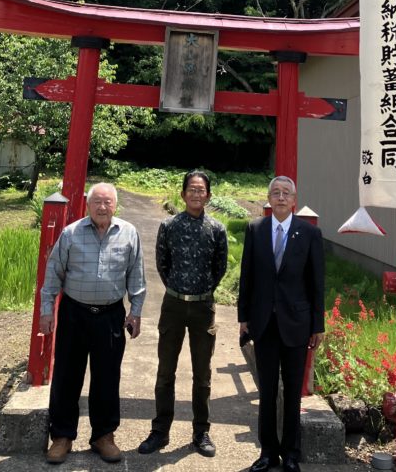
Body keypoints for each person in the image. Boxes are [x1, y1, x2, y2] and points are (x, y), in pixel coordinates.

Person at [40, 182, 145, 465]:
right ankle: (62, 436)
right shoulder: (71, 233)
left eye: (107, 202)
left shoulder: (129, 233)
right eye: (97, 201)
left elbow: (136, 276)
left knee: (107, 377)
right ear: (88, 204)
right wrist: (47, 311)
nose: (102, 207)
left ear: (115, 205)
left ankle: (103, 435)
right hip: (74, 313)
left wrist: (135, 312)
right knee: (67, 375)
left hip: (110, 315)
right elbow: (53, 274)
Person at [138, 169, 228, 459]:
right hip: (174, 305)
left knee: (202, 374)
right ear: (183, 193)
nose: (196, 194)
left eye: (201, 190)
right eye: (192, 189)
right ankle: (160, 430)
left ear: (208, 196)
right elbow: (162, 264)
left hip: (203, 307)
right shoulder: (169, 226)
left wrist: (203, 290)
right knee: (166, 371)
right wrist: (178, 288)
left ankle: (201, 432)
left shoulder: (217, 229)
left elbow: (220, 267)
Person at [237, 176, 325, 472]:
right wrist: (243, 317)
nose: (281, 197)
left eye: (286, 193)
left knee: (292, 392)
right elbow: (247, 276)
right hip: (264, 322)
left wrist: (318, 324)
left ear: (294, 200)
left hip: (296, 323)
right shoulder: (256, 229)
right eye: (275, 192)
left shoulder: (309, 233)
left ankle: (291, 454)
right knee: (267, 391)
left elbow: (317, 283)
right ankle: (267, 453)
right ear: (269, 198)